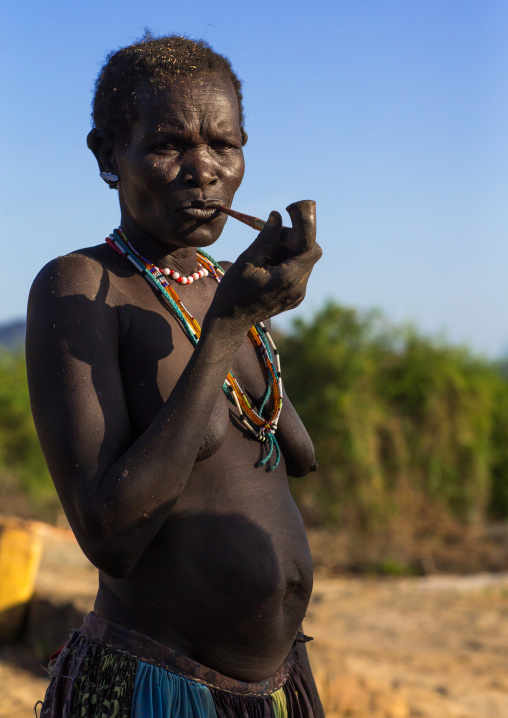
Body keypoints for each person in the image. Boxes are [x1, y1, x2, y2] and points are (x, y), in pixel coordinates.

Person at [27, 33, 323, 718]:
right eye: (169, 144)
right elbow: (111, 537)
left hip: (280, 682)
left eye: (224, 144)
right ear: (109, 156)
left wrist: (261, 307)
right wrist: (225, 327)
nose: (204, 170)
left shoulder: (223, 286)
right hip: (158, 685)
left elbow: (294, 454)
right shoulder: (83, 287)